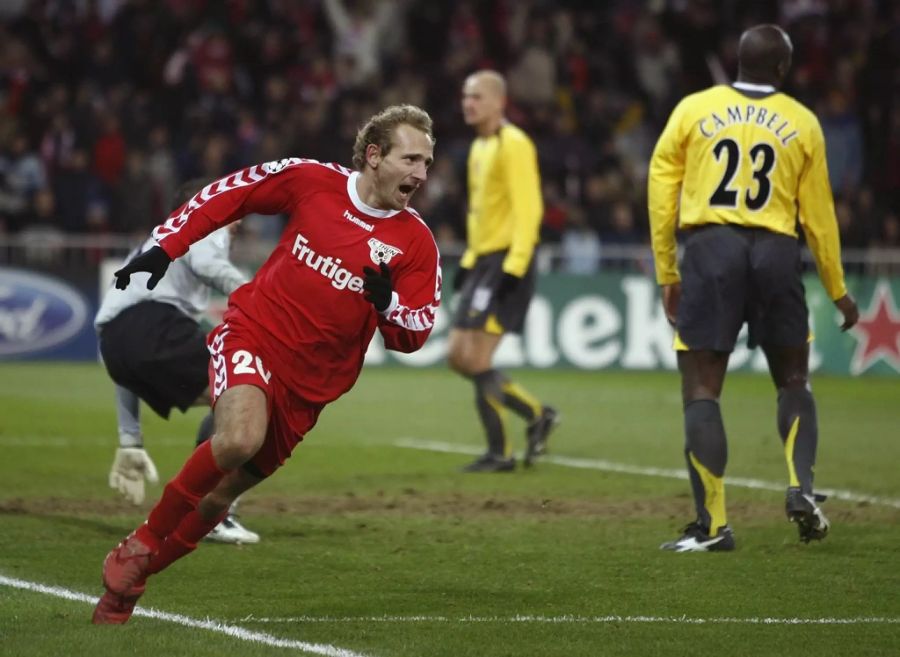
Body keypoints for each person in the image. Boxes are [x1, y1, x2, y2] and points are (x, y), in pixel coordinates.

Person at [91, 104, 440, 624]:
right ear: (374, 156)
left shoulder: (417, 243)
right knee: (237, 439)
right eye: (411, 158)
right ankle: (139, 543)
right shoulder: (311, 180)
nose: (421, 174)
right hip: (255, 332)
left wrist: (387, 303)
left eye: (427, 162)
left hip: (312, 388)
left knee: (217, 501)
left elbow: (413, 333)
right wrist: (168, 245)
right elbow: (232, 193)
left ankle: (129, 586)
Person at [647, 24, 859, 552]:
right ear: (783, 69)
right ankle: (801, 489)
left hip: (711, 249)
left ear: (736, 60)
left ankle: (713, 527)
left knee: (701, 388)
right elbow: (819, 214)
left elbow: (660, 190)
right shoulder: (802, 121)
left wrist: (667, 271)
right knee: (793, 379)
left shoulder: (694, 109)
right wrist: (837, 288)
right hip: (775, 250)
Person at [95, 178, 260, 545]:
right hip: (156, 329)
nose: (234, 223)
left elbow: (121, 357)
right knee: (252, 402)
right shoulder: (204, 219)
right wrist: (255, 295)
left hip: (115, 344)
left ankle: (205, 507)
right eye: (230, 213)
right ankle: (213, 514)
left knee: (231, 399)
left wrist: (130, 439)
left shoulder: (151, 248)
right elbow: (206, 262)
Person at [448, 70, 558, 473]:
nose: (468, 103)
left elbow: (529, 209)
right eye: (465, 96)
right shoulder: (479, 147)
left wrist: (514, 265)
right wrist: (468, 260)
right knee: (458, 356)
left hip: (507, 261)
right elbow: (482, 214)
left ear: (498, 102)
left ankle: (501, 452)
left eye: (476, 96)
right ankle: (537, 414)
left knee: (475, 358)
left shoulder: (515, 144)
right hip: (483, 261)